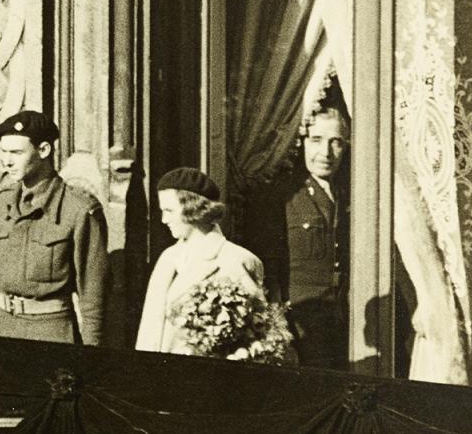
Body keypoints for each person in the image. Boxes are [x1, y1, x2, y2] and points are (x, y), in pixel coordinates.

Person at [0, 110, 107, 344]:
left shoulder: (78, 209)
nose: (7, 161)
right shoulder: (2, 202)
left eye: (16, 152)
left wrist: (91, 356)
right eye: (4, 152)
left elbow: (93, 294)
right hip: (4, 328)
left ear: (44, 150)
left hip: (51, 333)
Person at [136, 167, 265, 354]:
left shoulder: (236, 260)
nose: (164, 220)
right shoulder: (168, 258)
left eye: (169, 211)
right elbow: (148, 332)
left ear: (192, 209)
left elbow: (259, 336)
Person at [280, 108, 350, 369]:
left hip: (346, 319)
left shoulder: (351, 193)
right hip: (302, 323)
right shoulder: (286, 196)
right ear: (302, 142)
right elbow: (270, 267)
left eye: (336, 142)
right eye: (317, 140)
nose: (326, 153)